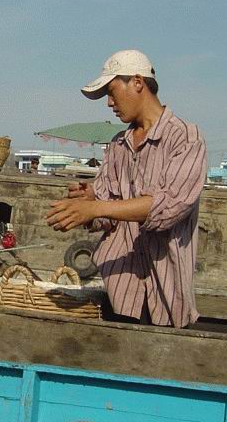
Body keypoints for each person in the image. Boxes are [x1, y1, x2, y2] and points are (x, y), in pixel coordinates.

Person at [46, 50, 207, 328]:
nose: (110, 103)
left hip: (167, 287)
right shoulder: (119, 144)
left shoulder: (186, 138)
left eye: (111, 92)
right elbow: (108, 215)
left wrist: (97, 206)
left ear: (137, 82)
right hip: (122, 288)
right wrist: (89, 203)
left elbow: (168, 208)